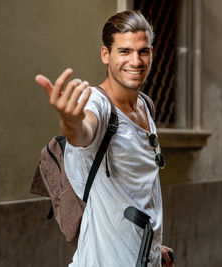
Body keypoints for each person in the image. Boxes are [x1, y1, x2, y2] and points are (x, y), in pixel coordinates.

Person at [35, 10, 174, 267]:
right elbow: (83, 132)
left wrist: (154, 248)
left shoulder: (146, 105)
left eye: (143, 51)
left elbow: (140, 192)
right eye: (124, 51)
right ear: (105, 55)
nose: (136, 60)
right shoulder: (96, 104)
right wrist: (70, 121)